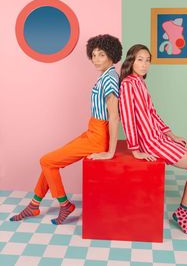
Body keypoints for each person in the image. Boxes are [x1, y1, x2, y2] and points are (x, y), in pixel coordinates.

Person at [119, 44, 187, 235]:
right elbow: (127, 117)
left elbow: (152, 113)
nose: (145, 64)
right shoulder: (128, 84)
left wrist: (171, 134)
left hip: (159, 137)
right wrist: (135, 149)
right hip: (151, 142)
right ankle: (182, 212)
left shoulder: (140, 82)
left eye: (148, 60)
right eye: (140, 59)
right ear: (131, 61)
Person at [10, 34, 122, 225]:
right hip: (92, 129)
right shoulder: (106, 76)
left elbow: (114, 116)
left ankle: (65, 205)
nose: (96, 59)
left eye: (101, 54)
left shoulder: (110, 79)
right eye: (94, 55)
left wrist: (110, 151)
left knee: (46, 160)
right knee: (51, 162)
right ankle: (34, 205)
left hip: (98, 135)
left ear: (112, 55)